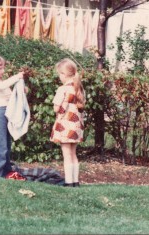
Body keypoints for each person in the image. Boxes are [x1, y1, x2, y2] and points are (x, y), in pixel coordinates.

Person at [50, 58, 86, 187]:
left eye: (60, 74)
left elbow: (56, 108)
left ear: (64, 74)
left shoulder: (62, 89)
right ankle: (76, 182)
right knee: (74, 154)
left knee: (66, 155)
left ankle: (68, 182)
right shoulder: (79, 89)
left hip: (65, 126)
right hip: (76, 126)